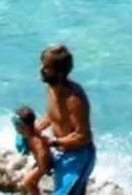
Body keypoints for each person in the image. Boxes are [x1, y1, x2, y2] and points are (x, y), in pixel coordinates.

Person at [37, 44, 96, 195]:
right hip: (62, 151)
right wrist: (36, 129)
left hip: (79, 156)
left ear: (60, 73)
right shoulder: (51, 88)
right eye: (42, 64)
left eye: (47, 67)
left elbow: (84, 136)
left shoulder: (74, 99)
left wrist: (55, 142)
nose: (41, 69)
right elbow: (53, 116)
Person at [12, 101, 51, 193]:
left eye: (17, 125)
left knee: (28, 182)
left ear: (25, 126)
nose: (15, 128)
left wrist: (44, 168)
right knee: (30, 183)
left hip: (45, 163)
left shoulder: (36, 140)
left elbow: (43, 152)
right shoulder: (27, 136)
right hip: (39, 163)